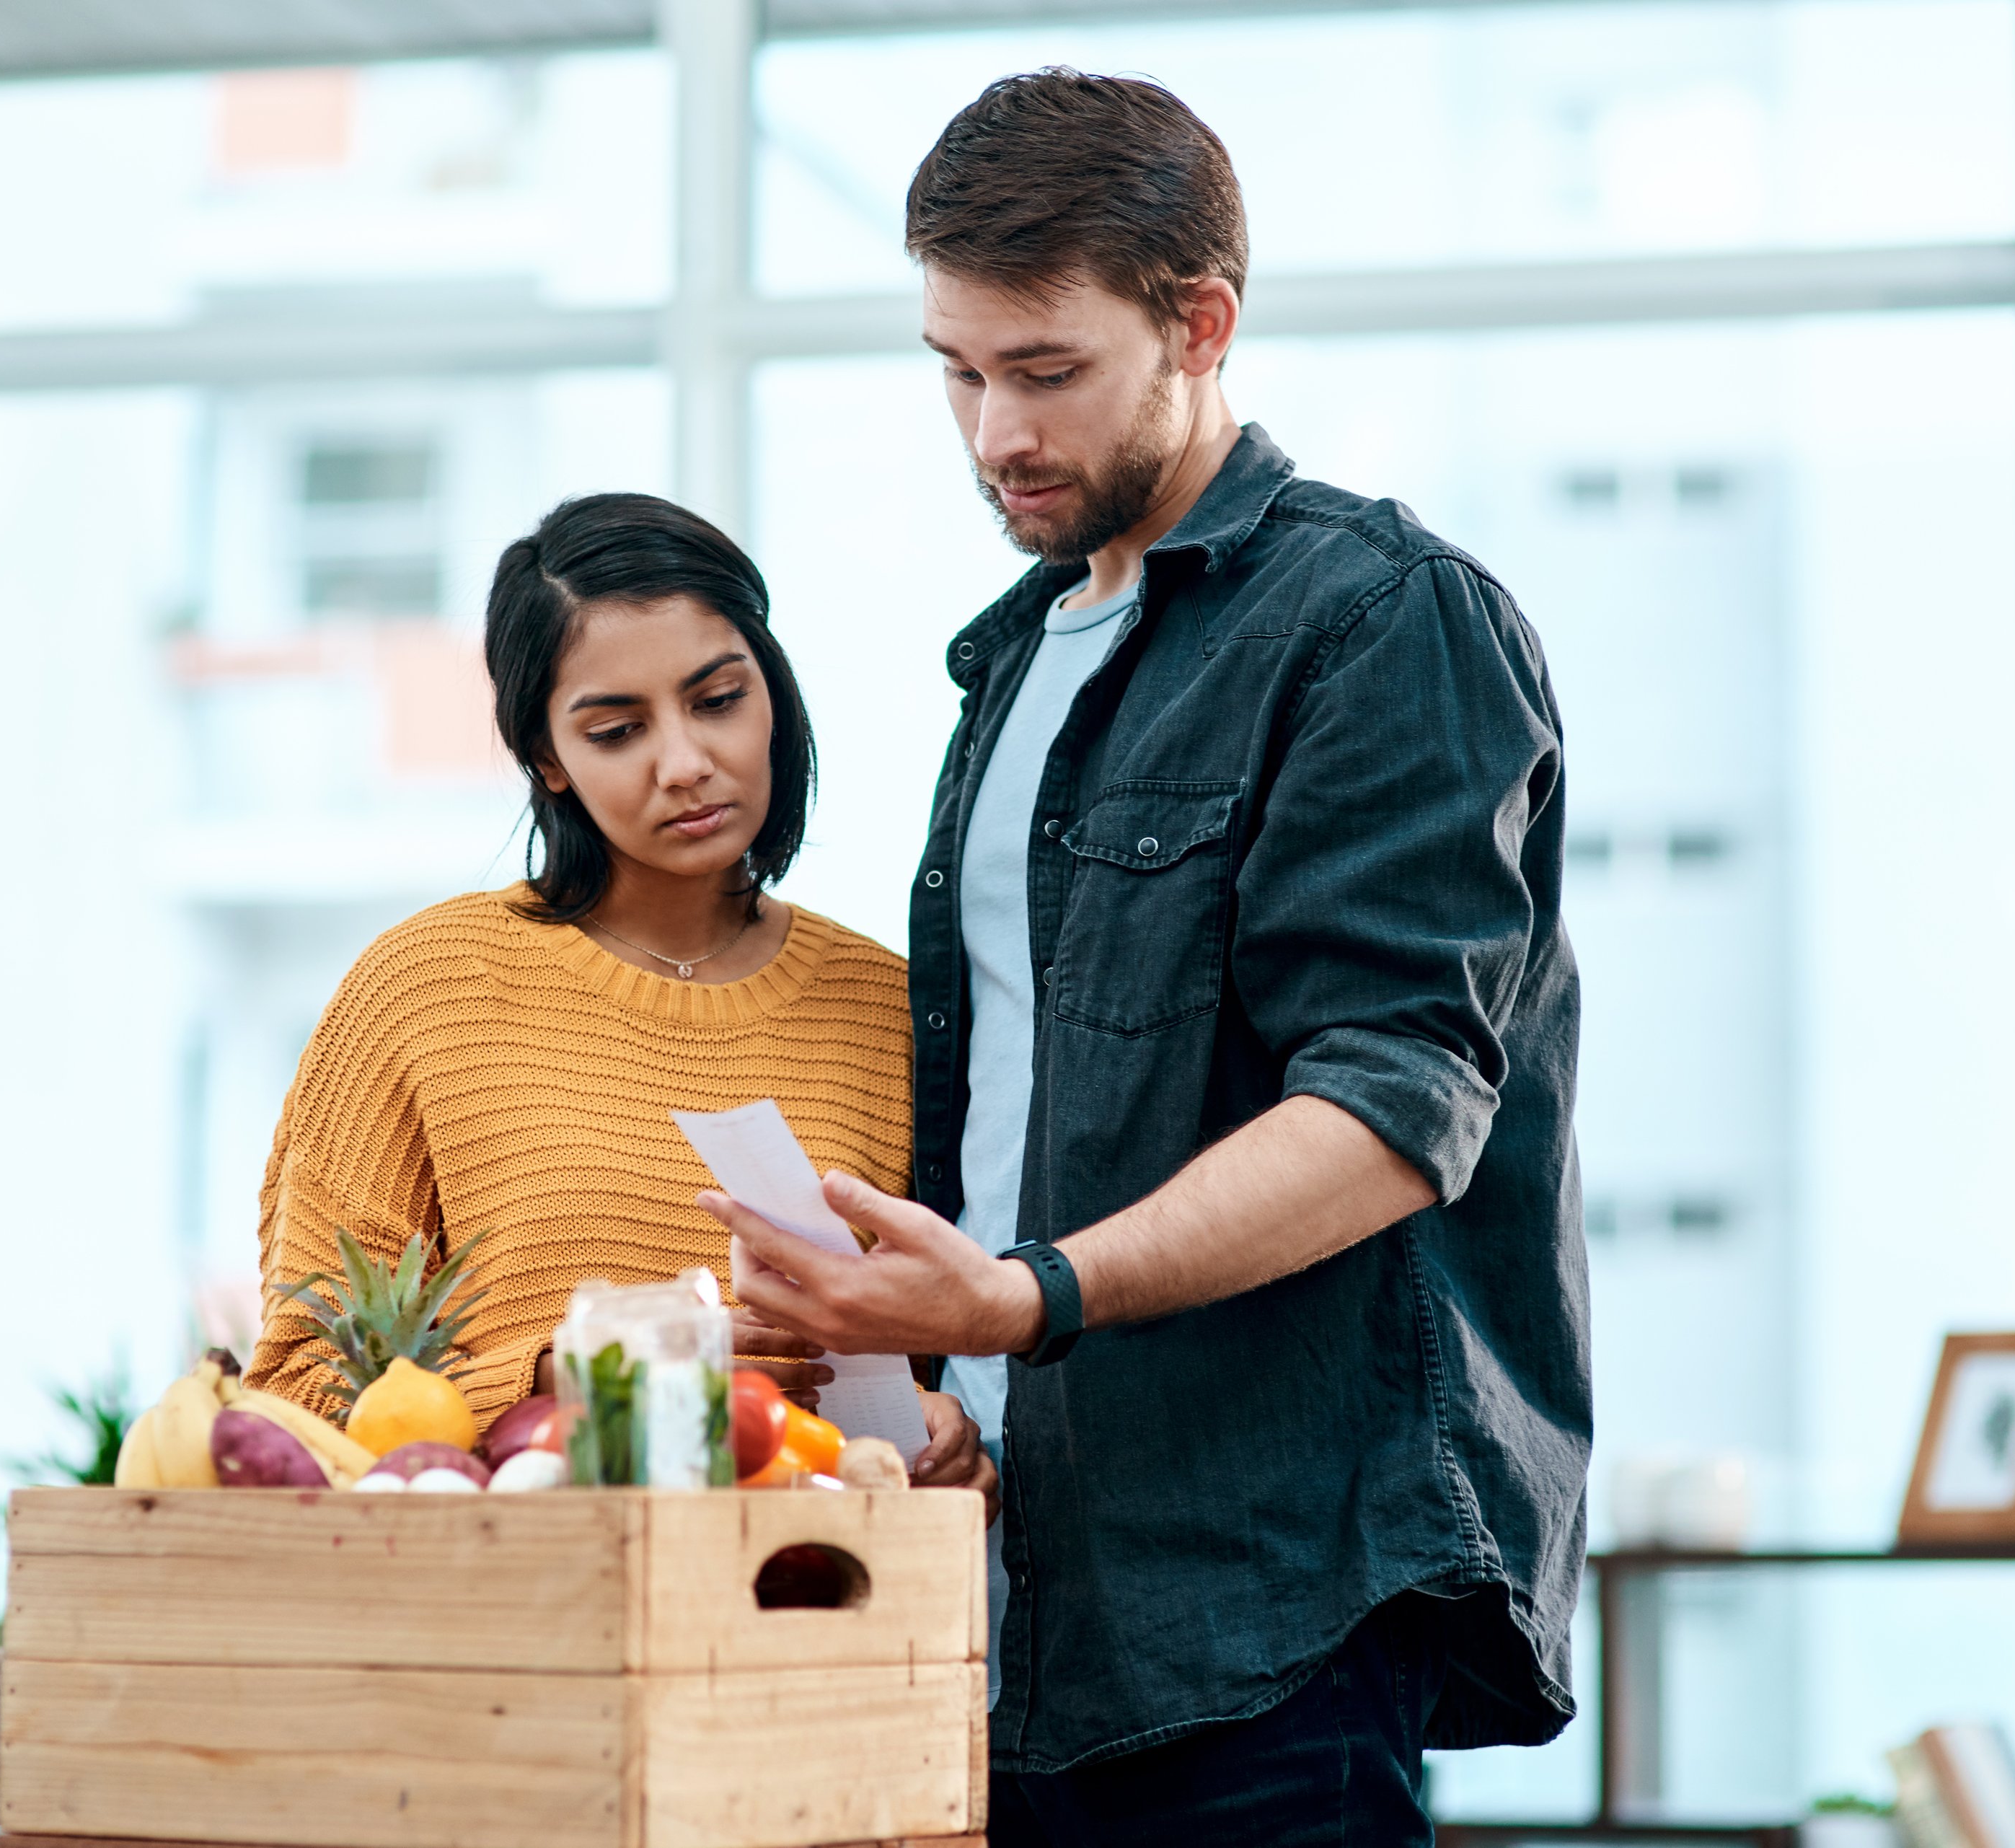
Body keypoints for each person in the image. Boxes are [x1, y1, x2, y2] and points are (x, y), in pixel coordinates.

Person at [700, 71, 1587, 1845]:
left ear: (1203, 323)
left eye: (1045, 374)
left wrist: (1019, 1302)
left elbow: (1394, 1112)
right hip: (1020, 1602)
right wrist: (932, 1385)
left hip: (1270, 1612)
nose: (991, 434)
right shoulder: (1019, 658)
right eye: (956, 372)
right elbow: (1034, 1108)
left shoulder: (1379, 620)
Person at [244, 492, 994, 1509]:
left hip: (815, 1618)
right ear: (546, 756)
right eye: (616, 728)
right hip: (524, 1621)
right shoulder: (422, 991)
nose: (685, 763)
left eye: (719, 699)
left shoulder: (896, 1010)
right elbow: (296, 1393)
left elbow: (962, 1352)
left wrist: (952, 1431)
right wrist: (587, 1372)